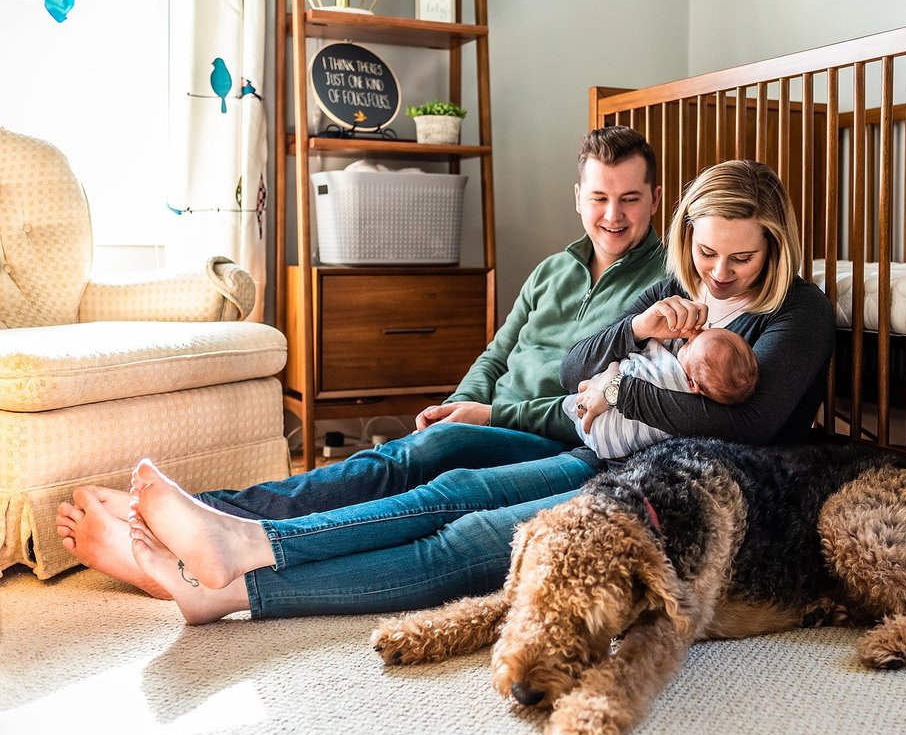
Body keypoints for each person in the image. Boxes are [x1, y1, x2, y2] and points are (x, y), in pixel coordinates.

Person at [119, 158, 836, 625]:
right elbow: (570, 370)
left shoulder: (796, 312)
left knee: (466, 539)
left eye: (740, 257)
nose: (717, 274)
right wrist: (637, 328)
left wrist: (623, 394)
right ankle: (240, 539)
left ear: (775, 246)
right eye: (707, 252)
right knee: (446, 485)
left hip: (670, 483)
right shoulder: (676, 285)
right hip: (607, 453)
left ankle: (236, 577)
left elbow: (747, 425)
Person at [55, 125, 667, 598]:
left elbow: (604, 406)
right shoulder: (553, 268)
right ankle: (194, 517)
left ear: (655, 199)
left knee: (414, 460)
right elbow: (497, 351)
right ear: (578, 197)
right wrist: (461, 401)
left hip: (550, 441)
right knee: (386, 465)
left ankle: (195, 523)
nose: (612, 215)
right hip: (489, 416)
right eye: (600, 198)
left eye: (630, 200)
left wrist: (488, 415)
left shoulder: (661, 288)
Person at [563, 326, 758, 459]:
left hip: (602, 429)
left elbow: (642, 359)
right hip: (610, 449)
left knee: (578, 397)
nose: (688, 340)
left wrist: (612, 371)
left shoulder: (672, 375)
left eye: (689, 346)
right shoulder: (698, 387)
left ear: (693, 384)